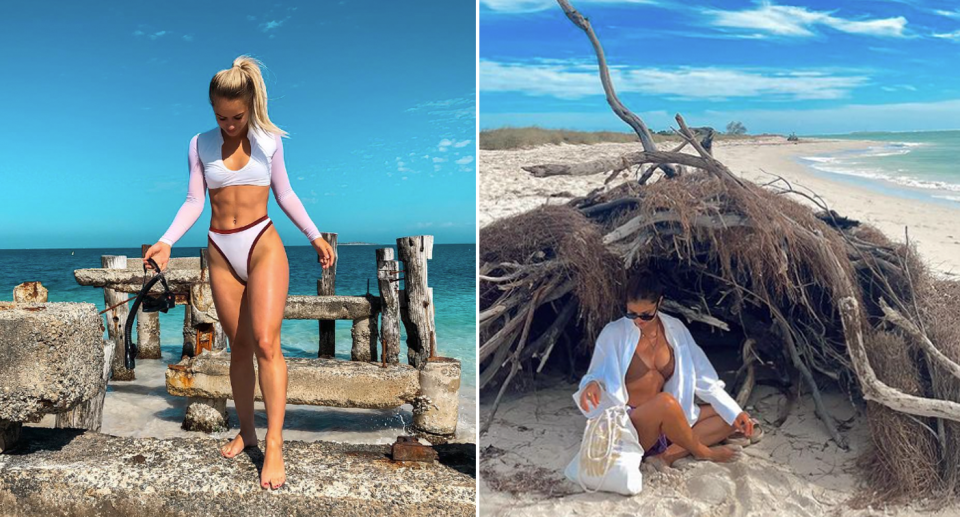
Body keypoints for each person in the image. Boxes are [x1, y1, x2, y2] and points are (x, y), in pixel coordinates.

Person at [143, 55, 335, 490]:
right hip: (219, 250)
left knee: (267, 343)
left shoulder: (269, 140)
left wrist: (314, 235)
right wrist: (167, 240)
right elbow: (194, 201)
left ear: (250, 105)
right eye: (221, 116)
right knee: (239, 347)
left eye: (237, 116)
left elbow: (284, 193)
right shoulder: (199, 144)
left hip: (262, 244)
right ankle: (246, 433)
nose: (229, 124)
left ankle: (273, 445)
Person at [575, 270, 756, 470]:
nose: (638, 320)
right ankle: (704, 452)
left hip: (669, 418)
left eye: (646, 315)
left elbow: (704, 379)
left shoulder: (675, 329)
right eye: (631, 313)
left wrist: (736, 412)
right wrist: (591, 384)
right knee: (664, 403)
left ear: (659, 303)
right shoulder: (614, 333)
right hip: (633, 424)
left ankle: (666, 456)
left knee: (729, 416)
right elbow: (595, 376)